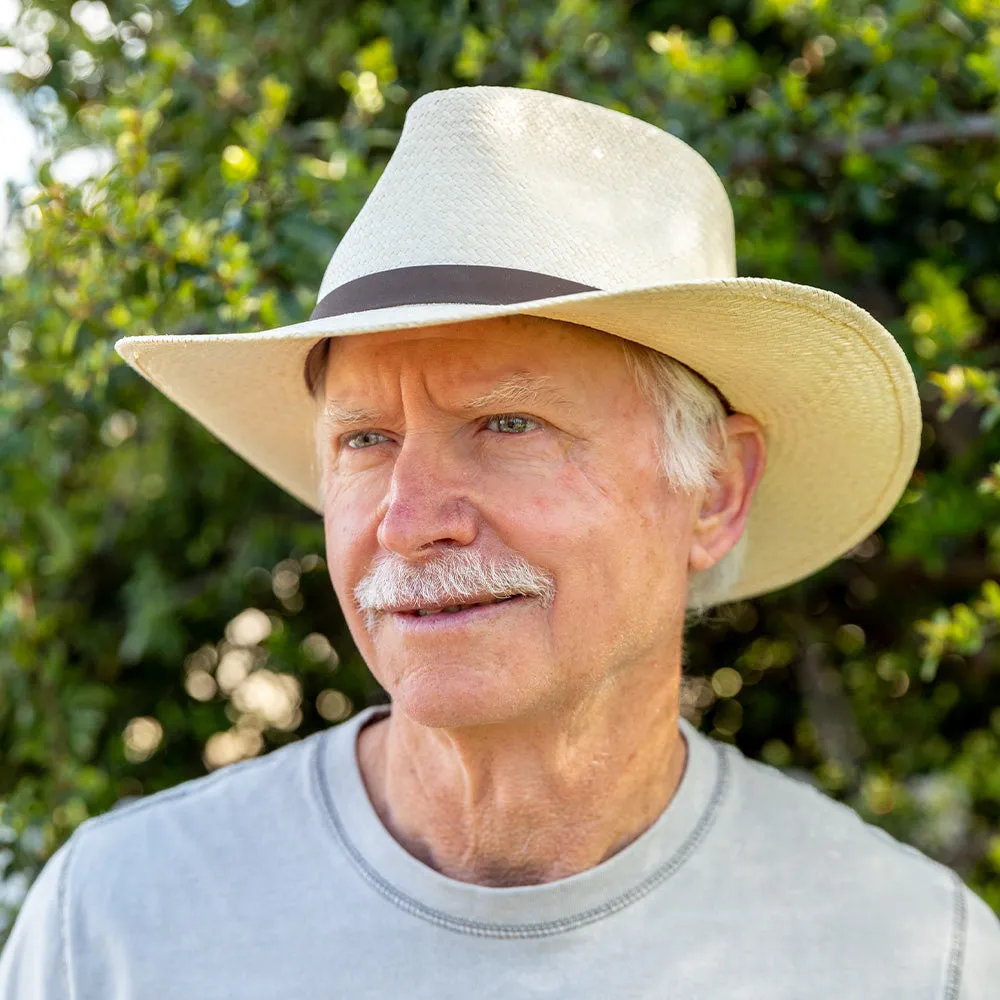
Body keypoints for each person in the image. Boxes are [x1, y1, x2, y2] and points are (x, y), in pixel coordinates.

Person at [1, 86, 997, 998]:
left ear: (715, 492)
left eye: (506, 424)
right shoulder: (117, 924)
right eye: (364, 439)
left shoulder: (908, 956)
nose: (406, 516)